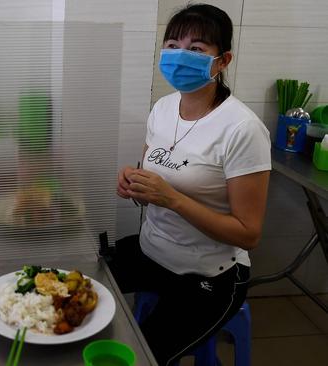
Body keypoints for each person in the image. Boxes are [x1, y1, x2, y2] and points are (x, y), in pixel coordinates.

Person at [110, 4, 271, 365]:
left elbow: (249, 233)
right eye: (171, 44)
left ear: (222, 61)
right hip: (152, 251)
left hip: (210, 274)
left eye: (197, 49)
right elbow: (152, 178)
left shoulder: (242, 130)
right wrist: (134, 185)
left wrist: (173, 199)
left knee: (139, 357)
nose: (179, 55)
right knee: (76, 282)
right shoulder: (163, 109)